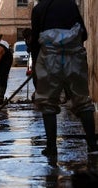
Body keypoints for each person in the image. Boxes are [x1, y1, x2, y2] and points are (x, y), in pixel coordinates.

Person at [30, 0, 98, 156]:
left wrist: (36, 69)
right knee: (82, 99)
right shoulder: (70, 4)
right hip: (75, 57)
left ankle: (52, 148)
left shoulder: (39, 9)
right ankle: (93, 144)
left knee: (47, 102)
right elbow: (84, 34)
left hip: (49, 59)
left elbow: (35, 42)